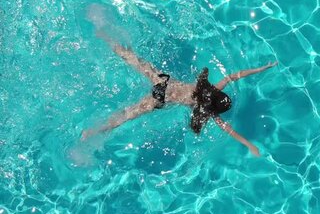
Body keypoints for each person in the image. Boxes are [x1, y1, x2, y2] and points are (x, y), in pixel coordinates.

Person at [81, 32, 277, 157]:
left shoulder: (211, 88)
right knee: (126, 116)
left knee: (133, 60)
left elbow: (234, 76)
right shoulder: (208, 112)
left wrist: (262, 68)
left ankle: (105, 36)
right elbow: (229, 130)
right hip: (159, 100)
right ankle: (92, 132)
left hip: (163, 82)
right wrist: (249, 145)